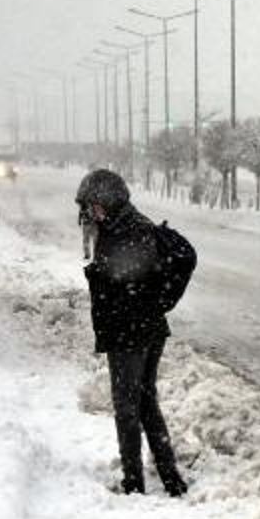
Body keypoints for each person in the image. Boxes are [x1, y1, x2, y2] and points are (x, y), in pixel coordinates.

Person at [76, 169, 188, 498]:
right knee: (145, 402)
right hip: (147, 329)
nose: (91, 213)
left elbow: (127, 283)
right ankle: (170, 478)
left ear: (110, 200)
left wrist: (102, 279)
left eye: (94, 205)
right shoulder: (134, 226)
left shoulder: (127, 232)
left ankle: (134, 483)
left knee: (127, 407)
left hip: (131, 334)